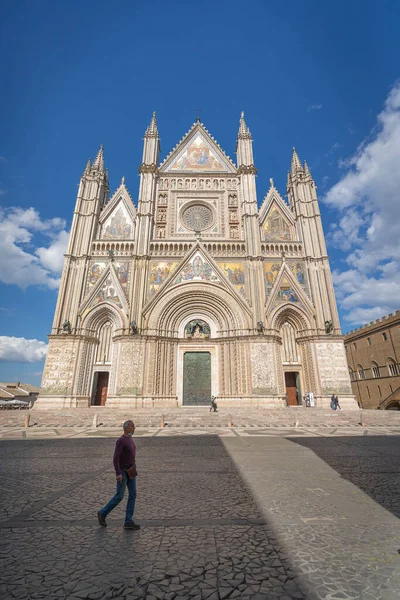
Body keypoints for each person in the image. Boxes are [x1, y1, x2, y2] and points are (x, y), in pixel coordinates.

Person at [97, 420, 140, 530]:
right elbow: (116, 458)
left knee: (133, 494)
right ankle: (103, 513)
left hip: (131, 471)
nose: (134, 428)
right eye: (132, 426)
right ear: (126, 428)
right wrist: (118, 473)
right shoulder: (121, 441)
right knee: (119, 496)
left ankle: (128, 520)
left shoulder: (130, 439)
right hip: (123, 472)